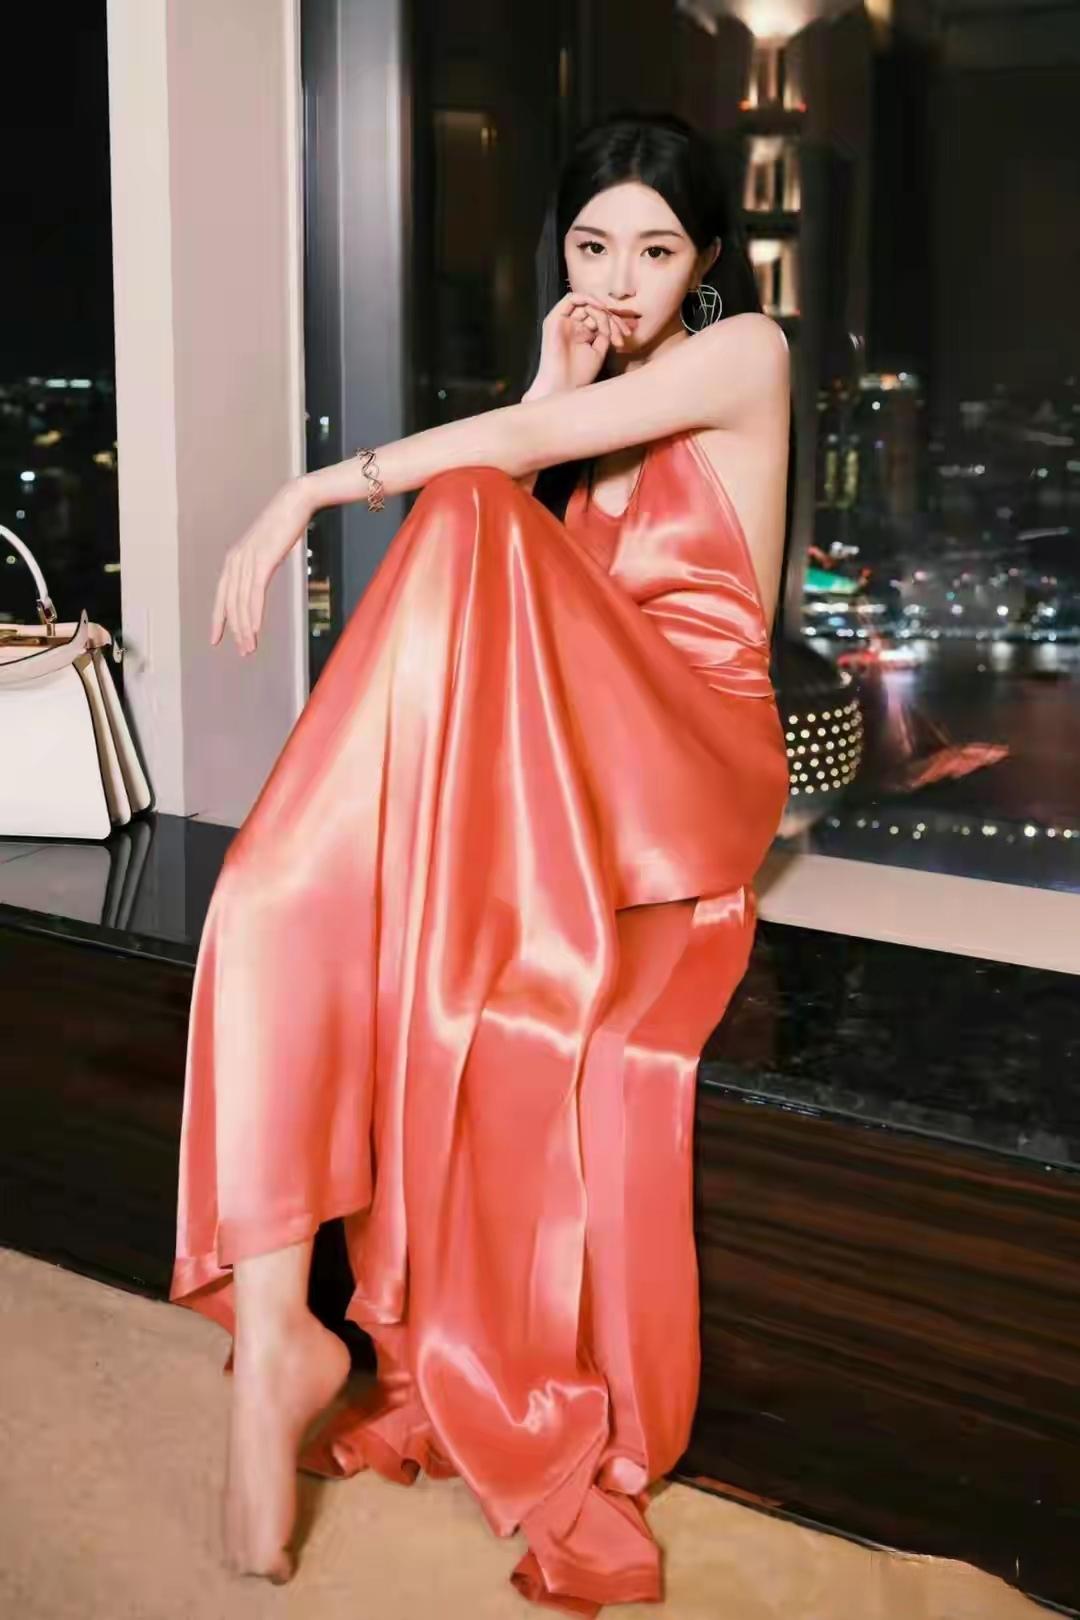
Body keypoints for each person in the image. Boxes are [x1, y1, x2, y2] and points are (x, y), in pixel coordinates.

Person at [170, 109, 792, 1615]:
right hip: (583, 764)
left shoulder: (746, 354)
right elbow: (520, 511)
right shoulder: (590, 397)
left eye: (656, 251)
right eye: (592, 246)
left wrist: (312, 490)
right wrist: (549, 387)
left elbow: (499, 479)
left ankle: (319, 1343)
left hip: (700, 762)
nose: (620, 281)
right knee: (281, 898)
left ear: (708, 258)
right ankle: (281, 1340)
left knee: (460, 496)